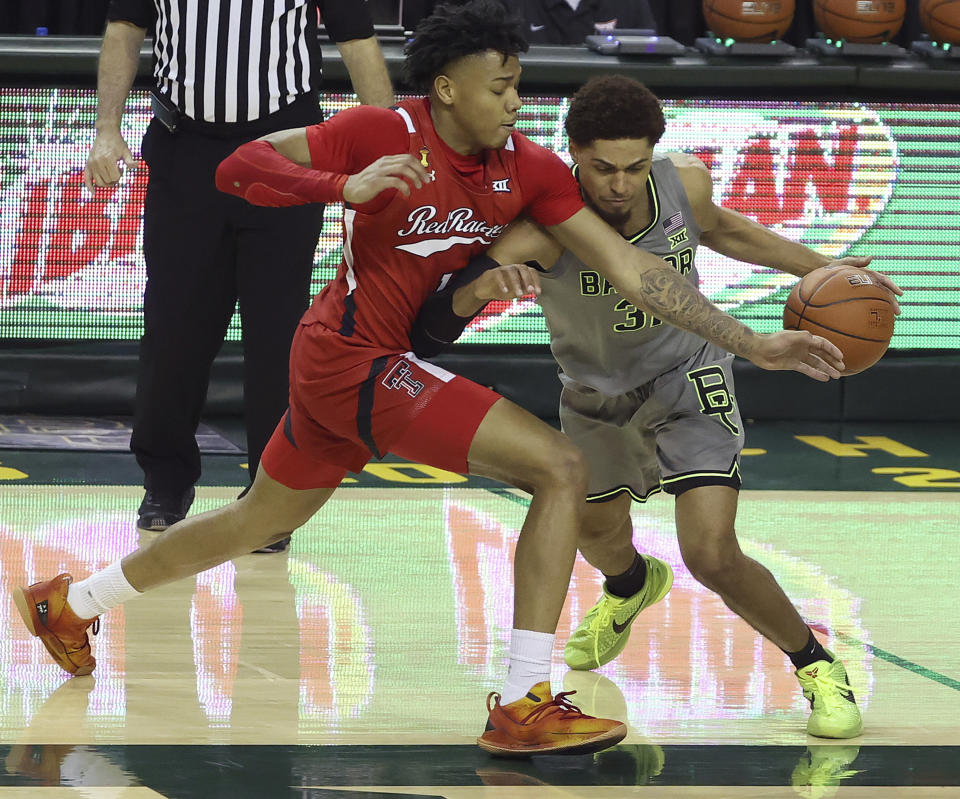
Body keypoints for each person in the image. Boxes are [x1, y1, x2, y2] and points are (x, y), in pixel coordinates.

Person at [17, 0, 847, 757]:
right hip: (353, 358)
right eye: (501, 86)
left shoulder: (530, 170)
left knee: (252, 519)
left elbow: (633, 269)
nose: (517, 101)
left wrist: (753, 342)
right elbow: (238, 167)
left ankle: (71, 603)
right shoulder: (380, 131)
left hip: (356, 362)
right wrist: (341, 185)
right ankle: (524, 700)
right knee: (562, 467)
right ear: (448, 89)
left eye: (519, 83)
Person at [410, 74, 904, 739]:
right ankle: (631, 583)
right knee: (597, 533)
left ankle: (816, 665)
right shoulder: (539, 228)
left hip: (688, 373)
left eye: (635, 167)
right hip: (595, 395)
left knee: (712, 551)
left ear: (654, 156)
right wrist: (480, 290)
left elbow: (731, 232)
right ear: (573, 156)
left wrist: (831, 272)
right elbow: (434, 322)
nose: (619, 183)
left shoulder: (684, 185)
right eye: (603, 168)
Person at [85, 0, 394, 552]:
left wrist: (390, 152)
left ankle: (268, 496)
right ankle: (166, 482)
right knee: (175, 326)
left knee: (279, 335)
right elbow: (125, 27)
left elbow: (357, 40)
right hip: (185, 150)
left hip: (288, 151)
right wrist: (107, 127)